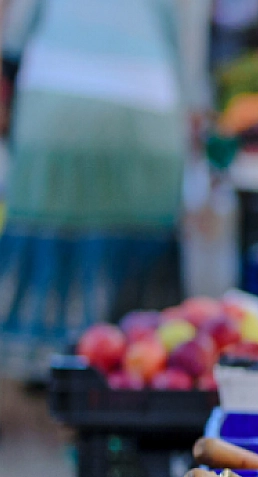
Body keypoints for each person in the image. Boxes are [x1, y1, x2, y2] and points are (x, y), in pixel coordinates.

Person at [0, 0, 192, 377]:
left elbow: (15, 33)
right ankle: (124, 371)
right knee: (137, 265)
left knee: (54, 246)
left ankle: (46, 364)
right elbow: (189, 40)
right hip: (146, 108)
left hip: (52, 105)